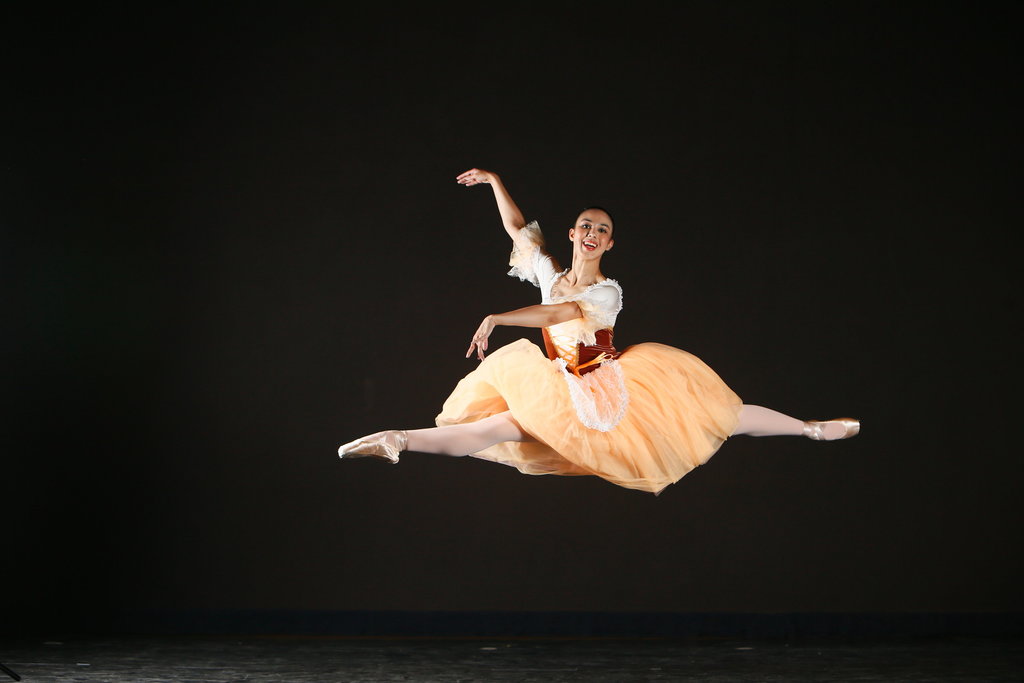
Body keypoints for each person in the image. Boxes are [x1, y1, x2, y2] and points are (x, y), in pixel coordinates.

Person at [337, 168, 859, 494]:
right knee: (496, 429)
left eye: (602, 230)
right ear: (572, 233)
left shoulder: (607, 292)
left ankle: (810, 429)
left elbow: (560, 316)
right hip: (559, 384)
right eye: (586, 225)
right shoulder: (550, 274)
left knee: (722, 413)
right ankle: (396, 439)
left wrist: (499, 318)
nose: (592, 233)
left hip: (604, 384)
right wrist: (494, 182)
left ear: (609, 245)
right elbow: (517, 230)